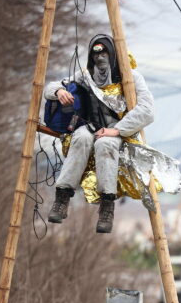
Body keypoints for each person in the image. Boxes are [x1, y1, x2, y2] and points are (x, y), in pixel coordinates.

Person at [45, 34, 155, 233]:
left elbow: (147, 110)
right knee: (80, 137)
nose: (100, 58)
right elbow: (51, 87)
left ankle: (107, 206)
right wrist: (59, 92)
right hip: (91, 128)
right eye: (95, 54)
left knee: (105, 144)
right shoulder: (86, 75)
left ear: (111, 53)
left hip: (119, 132)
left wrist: (117, 130)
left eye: (104, 52)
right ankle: (62, 198)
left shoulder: (129, 76)